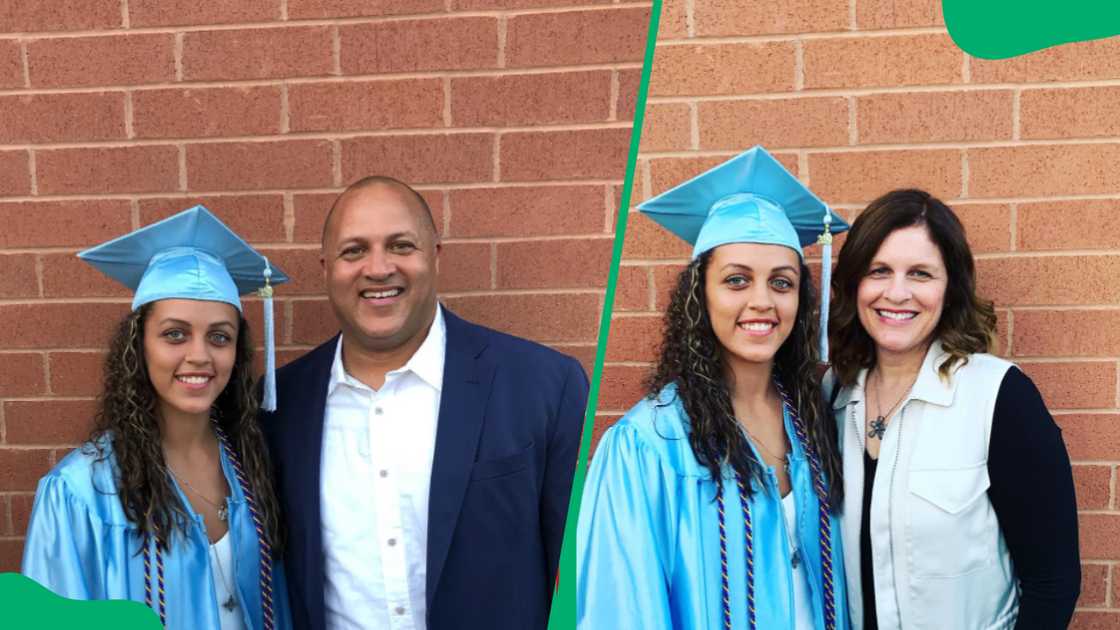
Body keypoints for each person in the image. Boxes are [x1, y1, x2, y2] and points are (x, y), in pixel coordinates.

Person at [261, 176, 589, 630]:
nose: (378, 268)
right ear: (326, 267)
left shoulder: (540, 384)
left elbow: (579, 574)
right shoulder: (280, 408)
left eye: (400, 246)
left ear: (435, 256)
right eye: (353, 250)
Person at [578, 147, 851, 629]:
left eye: (782, 283)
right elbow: (621, 613)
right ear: (699, 294)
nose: (762, 301)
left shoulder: (816, 419)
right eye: (737, 281)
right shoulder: (647, 444)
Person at [21, 206, 293, 630]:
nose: (200, 355)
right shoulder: (79, 492)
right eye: (175, 334)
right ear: (139, 345)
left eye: (219, 336)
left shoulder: (252, 462)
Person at [827, 189, 1081, 629]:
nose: (897, 292)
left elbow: (1052, 582)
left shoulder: (998, 397)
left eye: (921, 273)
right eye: (879, 271)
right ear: (854, 284)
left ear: (950, 288)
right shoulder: (832, 394)